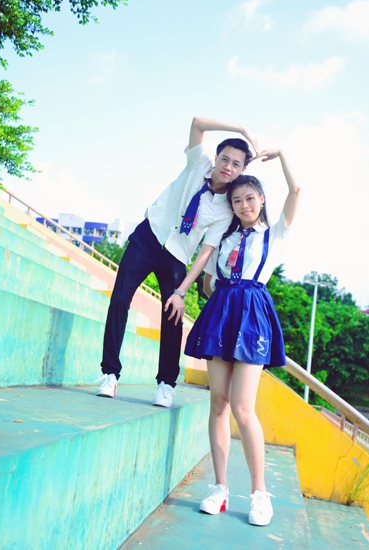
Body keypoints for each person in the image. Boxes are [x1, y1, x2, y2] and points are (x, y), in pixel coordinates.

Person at [165, 147, 300, 525]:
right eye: (237, 201)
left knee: (242, 406)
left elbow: (297, 191)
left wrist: (282, 154)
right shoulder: (224, 237)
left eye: (250, 199)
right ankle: (220, 488)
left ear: (261, 200)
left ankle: (260, 494)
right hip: (222, 313)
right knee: (219, 403)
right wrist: (202, 293)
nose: (244, 206)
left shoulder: (275, 234)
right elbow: (208, 278)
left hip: (252, 316)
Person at [95, 116, 259, 407]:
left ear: (242, 170)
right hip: (149, 236)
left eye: (236, 164)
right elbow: (197, 123)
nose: (228, 167)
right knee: (119, 299)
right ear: (217, 157)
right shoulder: (198, 162)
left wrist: (181, 291)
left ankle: (166, 384)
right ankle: (109, 374)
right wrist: (242, 129)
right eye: (225, 159)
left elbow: (205, 252)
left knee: (172, 314)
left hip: (177, 256)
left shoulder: (227, 209)